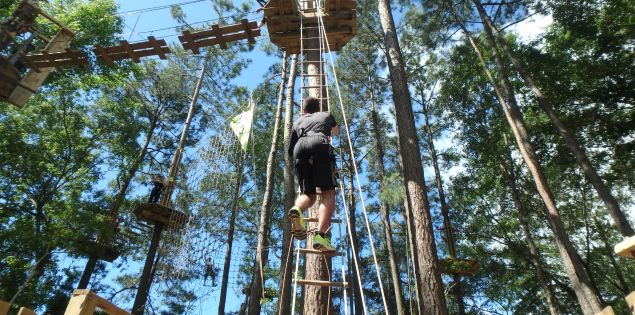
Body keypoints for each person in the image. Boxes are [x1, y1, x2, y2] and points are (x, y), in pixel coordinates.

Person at [287, 97, 340, 252]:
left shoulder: (298, 122)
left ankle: (297, 209)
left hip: (300, 148)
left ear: (304, 110)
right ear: (317, 109)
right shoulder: (326, 115)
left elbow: (290, 150)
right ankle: (321, 236)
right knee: (328, 191)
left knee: (309, 194)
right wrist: (330, 129)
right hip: (320, 142)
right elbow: (336, 131)